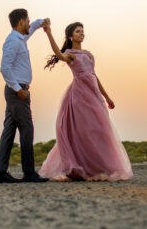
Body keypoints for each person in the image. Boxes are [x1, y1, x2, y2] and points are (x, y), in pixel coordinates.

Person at [38, 21, 133, 181]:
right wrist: (48, 33)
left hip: (94, 94)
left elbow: (94, 75)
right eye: (77, 31)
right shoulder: (70, 53)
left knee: (101, 129)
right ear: (70, 36)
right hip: (79, 96)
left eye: (82, 31)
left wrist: (106, 96)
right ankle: (80, 165)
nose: (81, 33)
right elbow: (59, 55)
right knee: (83, 130)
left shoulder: (88, 55)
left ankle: (101, 165)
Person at [0, 8, 50, 184]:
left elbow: (31, 29)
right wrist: (18, 89)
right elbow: (5, 67)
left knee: (9, 131)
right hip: (17, 92)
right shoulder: (13, 41)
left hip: (16, 91)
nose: (28, 23)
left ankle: (1, 173)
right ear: (20, 22)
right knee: (27, 130)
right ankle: (29, 173)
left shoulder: (20, 38)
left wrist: (41, 22)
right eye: (27, 20)